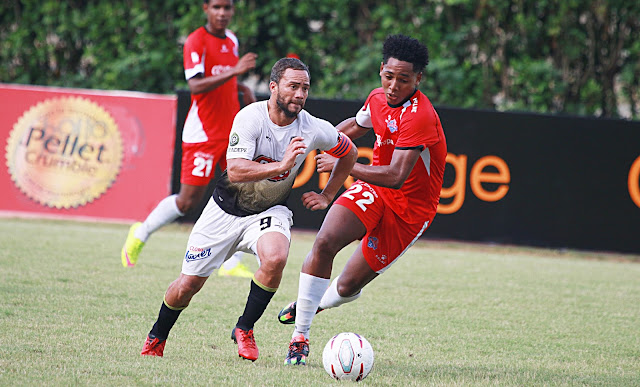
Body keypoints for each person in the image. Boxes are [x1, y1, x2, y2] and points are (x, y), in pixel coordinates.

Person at [140, 57, 358, 361]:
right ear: (273, 87)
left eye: (305, 88)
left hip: (269, 211)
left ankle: (244, 328)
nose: (299, 94)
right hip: (224, 211)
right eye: (293, 86)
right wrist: (282, 166)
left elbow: (349, 151)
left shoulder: (312, 127)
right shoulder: (250, 117)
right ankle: (157, 337)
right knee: (187, 285)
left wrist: (328, 195)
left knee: (276, 257)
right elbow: (236, 169)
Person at [279, 34, 447, 366]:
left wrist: (346, 164)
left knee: (348, 286)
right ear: (381, 70)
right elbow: (352, 129)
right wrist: (321, 143)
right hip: (374, 191)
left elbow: (397, 175)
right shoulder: (377, 99)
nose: (394, 85)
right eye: (389, 76)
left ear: (418, 79)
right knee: (325, 241)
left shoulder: (420, 115)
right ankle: (300, 336)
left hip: (409, 210)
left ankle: (318, 303)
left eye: (404, 79)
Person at [121, 0, 257, 278]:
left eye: (228, 7)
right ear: (206, 8)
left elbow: (225, 79)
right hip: (203, 134)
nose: (222, 13)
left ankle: (231, 264)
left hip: (231, 131)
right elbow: (195, 85)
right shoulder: (195, 41)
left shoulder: (231, 39)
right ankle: (141, 231)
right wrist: (235, 72)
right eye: (217, 7)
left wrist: (242, 88)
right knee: (187, 202)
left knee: (244, 191)